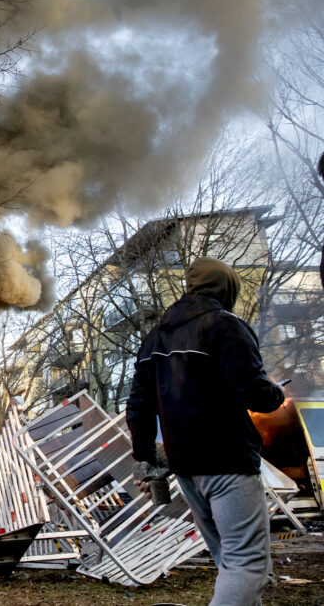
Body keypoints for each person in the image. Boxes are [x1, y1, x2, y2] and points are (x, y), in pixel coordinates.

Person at [127, 257, 285, 606]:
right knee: (246, 562)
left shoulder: (155, 338)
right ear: (225, 288)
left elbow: (138, 407)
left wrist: (146, 460)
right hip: (227, 459)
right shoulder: (225, 325)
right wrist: (277, 392)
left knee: (228, 559)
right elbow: (255, 393)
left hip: (186, 467)